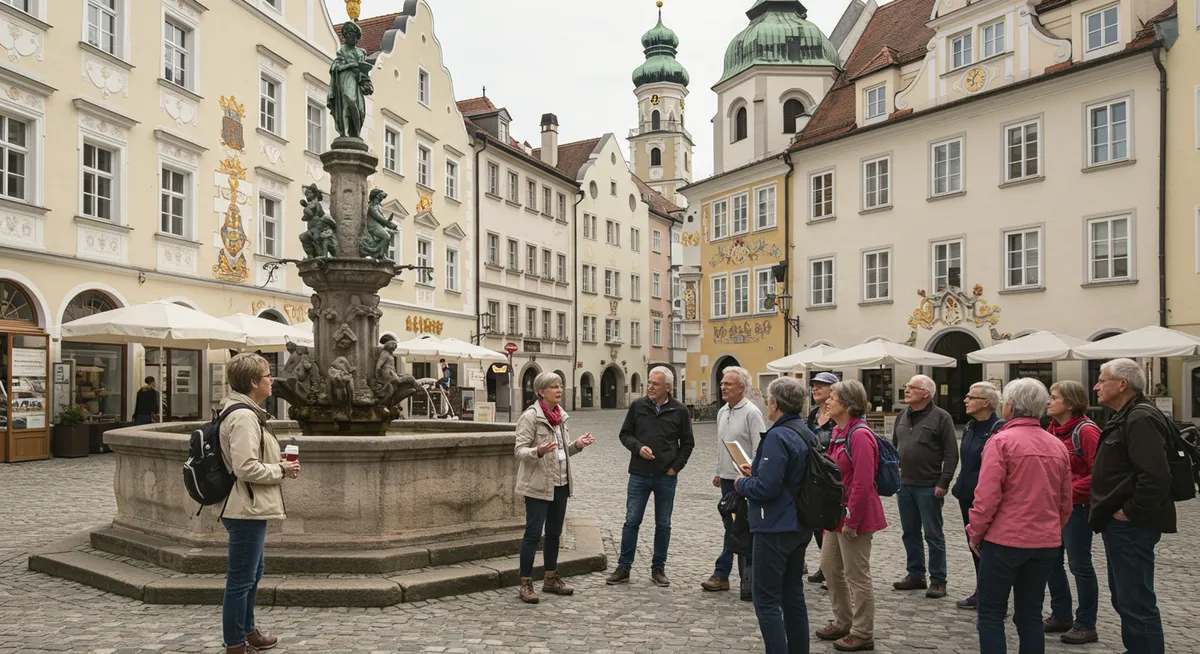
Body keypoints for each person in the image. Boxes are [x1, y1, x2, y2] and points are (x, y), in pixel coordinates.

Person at [968, 378, 1071, 654]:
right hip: (1044, 542)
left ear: (1010, 407)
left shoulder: (1001, 442)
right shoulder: (1056, 445)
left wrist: (975, 533)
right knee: (1030, 614)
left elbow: (986, 497)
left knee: (990, 612)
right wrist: (1052, 530)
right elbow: (1065, 502)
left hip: (1005, 541)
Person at [1091, 358, 1175, 654]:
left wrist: (1130, 511)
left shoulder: (1139, 418)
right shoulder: (1125, 415)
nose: (1096, 386)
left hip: (1131, 526)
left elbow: (1155, 476)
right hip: (1121, 525)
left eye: (1101, 380)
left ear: (1122, 384)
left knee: (1136, 599)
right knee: (1124, 597)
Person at [219, 353, 300, 654]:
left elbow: (249, 461)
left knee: (253, 572)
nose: (272, 380)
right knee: (241, 579)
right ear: (254, 382)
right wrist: (281, 470)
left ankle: (248, 630)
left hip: (250, 506)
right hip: (244, 508)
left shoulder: (246, 412)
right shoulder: (243, 417)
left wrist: (274, 461)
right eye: (267, 375)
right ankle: (236, 644)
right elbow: (244, 468)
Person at [735, 376, 814, 654]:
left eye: (768, 399)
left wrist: (741, 483)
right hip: (800, 524)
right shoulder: (806, 431)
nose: (766, 403)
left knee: (766, 599)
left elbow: (766, 488)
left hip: (774, 527)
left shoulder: (778, 436)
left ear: (775, 403)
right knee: (793, 594)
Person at [814, 380, 886, 652]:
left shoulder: (860, 435)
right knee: (830, 567)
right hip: (836, 515)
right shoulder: (838, 431)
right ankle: (843, 620)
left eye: (832, 397)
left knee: (857, 574)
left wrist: (852, 520)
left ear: (847, 403)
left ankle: (863, 631)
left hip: (855, 515)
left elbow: (863, 482)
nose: (827, 401)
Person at [607, 366, 695, 587]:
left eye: (655, 384)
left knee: (663, 524)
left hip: (666, 476)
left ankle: (658, 568)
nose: (650, 387)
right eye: (649, 382)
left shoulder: (679, 411)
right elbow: (625, 434)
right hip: (639, 473)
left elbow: (687, 443)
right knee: (631, 522)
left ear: (668, 387)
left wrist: (675, 468)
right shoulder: (638, 406)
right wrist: (638, 448)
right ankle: (624, 567)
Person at [513, 372, 595, 604]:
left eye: (560, 386)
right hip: (538, 484)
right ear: (541, 392)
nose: (559, 390)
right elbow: (519, 451)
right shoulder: (530, 418)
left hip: (561, 483)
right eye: (553, 387)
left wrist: (577, 446)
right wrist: (537, 451)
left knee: (554, 534)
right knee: (532, 534)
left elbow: (561, 452)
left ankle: (550, 578)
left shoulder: (561, 417)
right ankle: (526, 582)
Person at [1043, 380, 1102, 644]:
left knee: (1079, 564)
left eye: (1054, 397)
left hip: (1077, 508)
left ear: (1069, 402)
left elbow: (1099, 475)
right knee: (1050, 562)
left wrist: (1066, 491)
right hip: (1053, 507)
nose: (1048, 401)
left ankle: (1086, 623)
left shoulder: (1086, 432)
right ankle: (1061, 614)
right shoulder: (1052, 430)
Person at [892, 374, 959, 598]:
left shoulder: (942, 418)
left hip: (929, 486)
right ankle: (915, 574)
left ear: (926, 393)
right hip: (905, 485)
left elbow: (951, 454)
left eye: (912, 387)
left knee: (933, 534)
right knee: (909, 532)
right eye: (907, 386)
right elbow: (894, 447)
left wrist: (944, 481)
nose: (907, 390)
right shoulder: (902, 415)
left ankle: (938, 580)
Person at [702, 366, 765, 600]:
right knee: (732, 527)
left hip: (745, 481)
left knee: (739, 529)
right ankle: (729, 576)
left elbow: (760, 447)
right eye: (722, 383)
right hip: (728, 480)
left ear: (742, 387)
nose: (723, 387)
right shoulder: (722, 412)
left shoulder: (751, 413)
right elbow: (723, 444)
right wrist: (719, 471)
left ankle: (730, 575)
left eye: (728, 384)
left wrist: (753, 473)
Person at [950, 381, 1004, 610]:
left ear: (986, 402)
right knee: (974, 546)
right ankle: (981, 590)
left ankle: (994, 596)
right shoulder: (970, 426)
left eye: (971, 397)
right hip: (967, 496)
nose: (965, 400)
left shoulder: (999, 429)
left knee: (990, 549)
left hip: (988, 499)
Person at [804, 371, 839, 584]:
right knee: (817, 523)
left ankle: (834, 569)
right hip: (815, 475)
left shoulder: (839, 415)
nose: (815, 389)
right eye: (813, 385)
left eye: (820, 386)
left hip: (832, 476)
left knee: (831, 522)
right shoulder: (813, 414)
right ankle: (825, 565)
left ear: (833, 389)